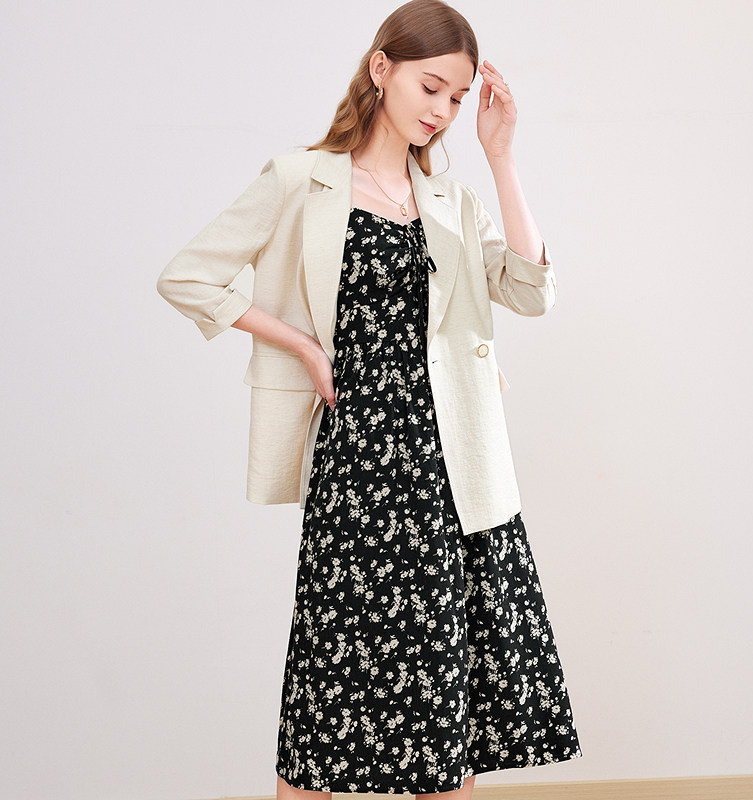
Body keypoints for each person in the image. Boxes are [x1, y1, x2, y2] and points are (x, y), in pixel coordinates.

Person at [156, 0, 582, 797]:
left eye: (457, 97)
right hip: (356, 470)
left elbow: (532, 291)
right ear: (382, 69)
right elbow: (188, 276)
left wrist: (501, 158)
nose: (442, 110)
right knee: (324, 702)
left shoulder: (452, 202)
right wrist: (301, 344)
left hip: (451, 471)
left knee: (442, 712)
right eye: (431, 87)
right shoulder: (302, 180)